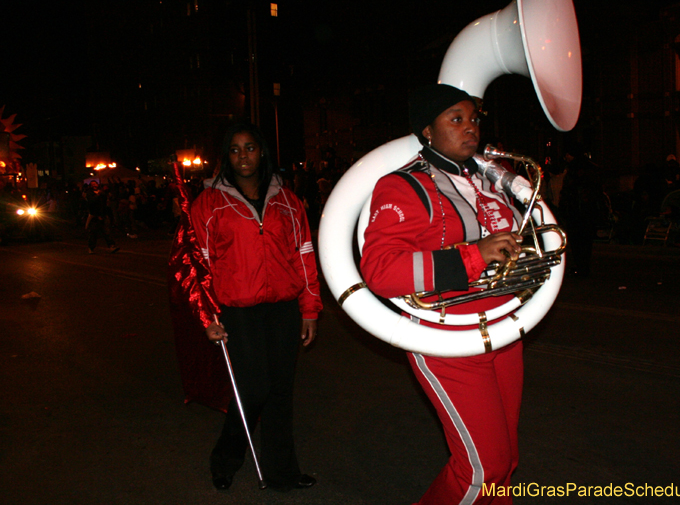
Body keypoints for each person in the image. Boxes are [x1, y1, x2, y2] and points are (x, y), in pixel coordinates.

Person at [360, 84, 526, 505]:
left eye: (474, 119)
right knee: (482, 469)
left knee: (505, 463)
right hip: (447, 338)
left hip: (504, 330)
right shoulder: (403, 185)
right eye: (456, 119)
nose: (471, 128)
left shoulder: (490, 180)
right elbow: (380, 271)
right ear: (427, 130)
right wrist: (474, 255)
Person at [191, 122, 322, 492]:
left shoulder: (288, 201)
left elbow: (304, 255)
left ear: (261, 151)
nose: (243, 156)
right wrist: (207, 315)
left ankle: (282, 472)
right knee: (253, 388)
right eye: (234, 150)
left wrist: (310, 308)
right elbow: (199, 265)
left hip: (284, 307)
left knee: (280, 390)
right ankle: (225, 459)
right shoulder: (209, 203)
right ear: (226, 157)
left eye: (249, 147)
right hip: (238, 309)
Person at [85, 180, 119, 254]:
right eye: (92, 184)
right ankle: (91, 247)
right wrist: (97, 195)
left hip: (103, 214)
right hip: (94, 216)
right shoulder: (90, 193)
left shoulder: (101, 192)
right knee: (93, 233)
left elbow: (105, 200)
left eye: (95, 184)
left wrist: (103, 192)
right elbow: (91, 202)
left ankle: (111, 246)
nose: (94, 185)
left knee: (107, 232)